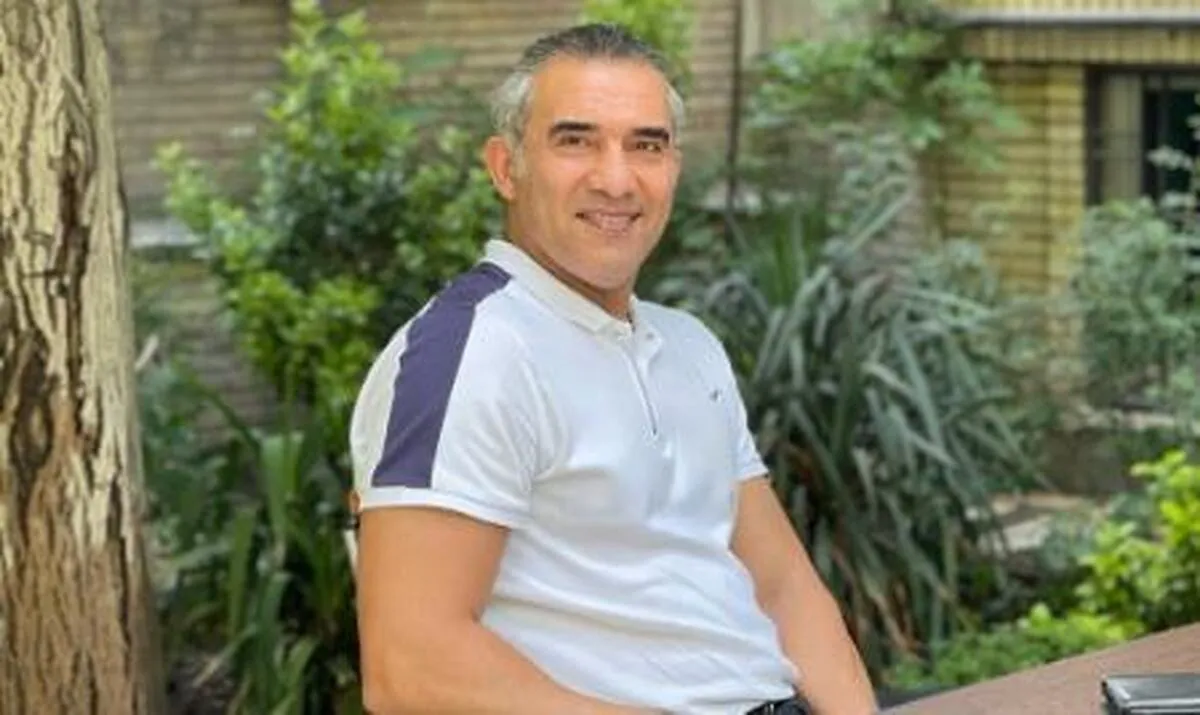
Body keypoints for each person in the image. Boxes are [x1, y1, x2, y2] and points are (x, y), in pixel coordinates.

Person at [349, 22, 878, 715]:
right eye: (576, 141)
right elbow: (411, 665)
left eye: (646, 145)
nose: (617, 179)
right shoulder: (471, 355)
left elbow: (783, 587)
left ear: (674, 169)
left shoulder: (688, 345)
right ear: (506, 168)